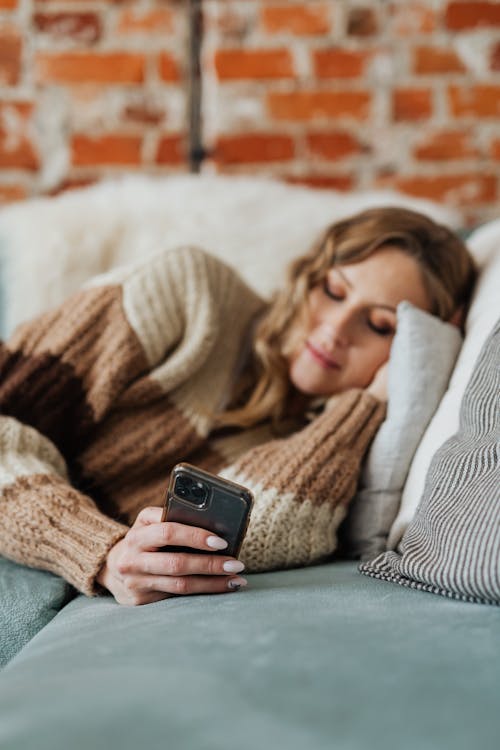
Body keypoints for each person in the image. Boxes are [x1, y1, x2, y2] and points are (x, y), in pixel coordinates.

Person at [0, 207, 476, 606]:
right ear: (308, 275)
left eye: (378, 325)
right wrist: (100, 551)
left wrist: (368, 405)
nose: (334, 330)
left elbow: (261, 538)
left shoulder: (324, 442)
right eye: (333, 291)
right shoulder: (189, 292)